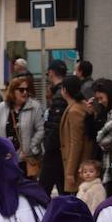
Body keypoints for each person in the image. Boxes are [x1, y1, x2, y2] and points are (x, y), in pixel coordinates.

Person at [0, 77, 45, 178]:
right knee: (7, 190)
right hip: (6, 158)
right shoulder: (2, 107)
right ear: (13, 91)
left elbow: (41, 129)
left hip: (25, 159)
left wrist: (31, 147)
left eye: (27, 90)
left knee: (26, 190)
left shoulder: (35, 107)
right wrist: (0, 144)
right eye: (21, 90)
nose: (25, 93)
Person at [58, 76, 90, 195]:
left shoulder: (74, 111)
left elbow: (76, 142)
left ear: (64, 90)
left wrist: (70, 172)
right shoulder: (83, 105)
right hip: (83, 163)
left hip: (78, 166)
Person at [40, 60, 68, 194]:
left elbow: (55, 124)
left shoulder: (59, 95)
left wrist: (48, 144)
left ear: (51, 73)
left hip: (54, 149)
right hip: (62, 148)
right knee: (63, 187)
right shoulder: (64, 92)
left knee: (43, 189)